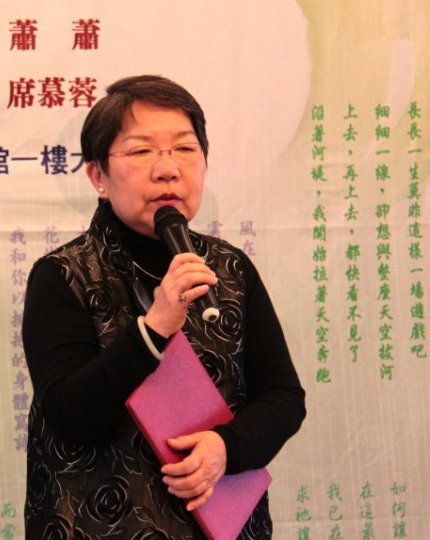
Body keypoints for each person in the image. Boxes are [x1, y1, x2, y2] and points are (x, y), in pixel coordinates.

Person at [22, 75, 306, 539]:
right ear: (98, 176)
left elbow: (283, 398)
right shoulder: (63, 276)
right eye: (140, 151)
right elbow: (70, 418)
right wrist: (152, 331)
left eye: (185, 149)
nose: (167, 169)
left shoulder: (229, 269)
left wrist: (226, 448)